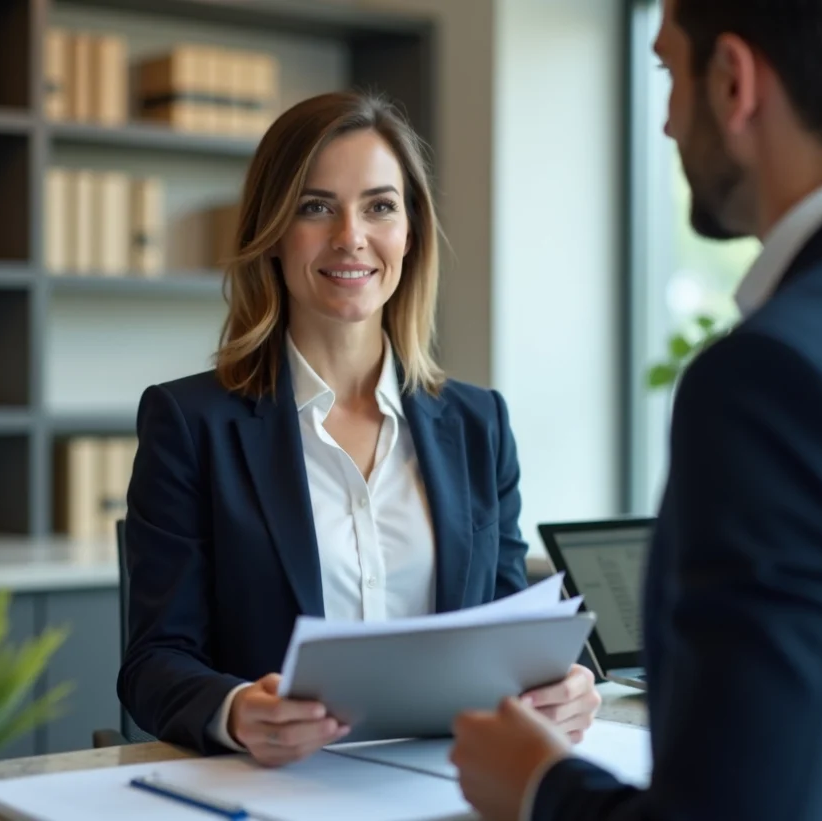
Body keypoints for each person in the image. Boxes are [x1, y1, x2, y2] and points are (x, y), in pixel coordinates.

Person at [449, 0, 822, 819]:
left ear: (733, 82)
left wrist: (540, 785)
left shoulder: (775, 381)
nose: (670, 122)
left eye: (668, 72)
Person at [117, 90, 601, 766]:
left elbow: (509, 623)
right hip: (277, 791)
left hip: (449, 788)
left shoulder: (477, 424)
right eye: (316, 207)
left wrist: (569, 680)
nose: (351, 236)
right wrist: (237, 712)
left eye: (379, 206)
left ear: (411, 232)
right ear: (274, 233)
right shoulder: (192, 423)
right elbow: (154, 661)